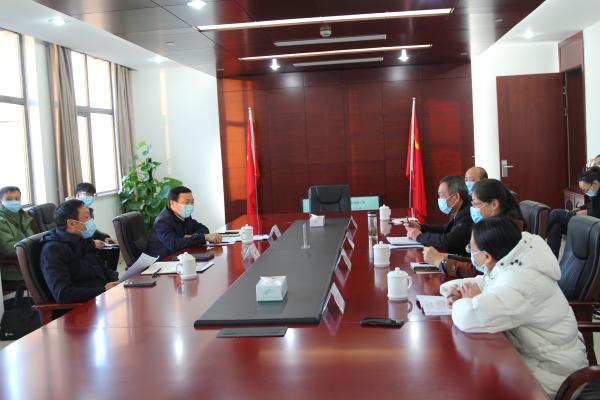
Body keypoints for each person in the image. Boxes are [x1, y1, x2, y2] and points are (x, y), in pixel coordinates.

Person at [439, 217, 588, 397]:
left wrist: (467, 301)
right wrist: (459, 290)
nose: (469, 251)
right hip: (534, 359)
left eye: (471, 249)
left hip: (554, 374)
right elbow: (489, 282)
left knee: (472, 385)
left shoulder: (523, 282)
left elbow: (469, 317)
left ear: (486, 257)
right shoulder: (517, 256)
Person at [424, 178, 526, 278]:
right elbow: (478, 262)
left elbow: (482, 272)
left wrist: (440, 262)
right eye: (472, 204)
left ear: (494, 204)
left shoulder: (503, 230)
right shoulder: (498, 223)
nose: (472, 209)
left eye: (476, 204)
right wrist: (447, 257)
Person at [40, 200, 119, 304]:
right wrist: (103, 290)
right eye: (87, 217)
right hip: (83, 306)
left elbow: (102, 269)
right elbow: (63, 294)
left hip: (103, 298)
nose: (91, 221)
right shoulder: (53, 250)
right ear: (71, 223)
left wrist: (117, 281)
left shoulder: (83, 238)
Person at [146, 186, 222, 258]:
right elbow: (175, 244)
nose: (190, 205)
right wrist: (203, 237)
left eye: (192, 202)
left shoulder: (185, 216)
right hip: (164, 262)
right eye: (186, 202)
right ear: (172, 203)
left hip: (182, 257)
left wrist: (190, 237)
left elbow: (204, 229)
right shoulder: (162, 221)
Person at [405, 176, 473, 256]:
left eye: (441, 195)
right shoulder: (458, 209)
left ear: (456, 197)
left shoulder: (468, 214)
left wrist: (419, 236)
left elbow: (449, 241)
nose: (439, 199)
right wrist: (420, 227)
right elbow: (445, 229)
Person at [547, 166, 600, 258]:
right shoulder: (596, 190)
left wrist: (588, 212)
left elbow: (596, 212)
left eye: (586, 190)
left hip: (594, 225)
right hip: (587, 220)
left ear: (595, 183)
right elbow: (591, 205)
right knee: (556, 226)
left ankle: (538, 236)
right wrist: (580, 208)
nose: (585, 193)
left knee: (555, 213)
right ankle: (551, 260)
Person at [0, 186, 35, 283]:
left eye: (17, 199)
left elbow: (32, 238)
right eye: (9, 199)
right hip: (12, 267)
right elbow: (9, 249)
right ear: (1, 202)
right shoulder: (1, 221)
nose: (14, 202)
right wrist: (35, 250)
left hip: (29, 260)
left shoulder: (23, 216)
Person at [74, 182, 117, 248]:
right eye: (88, 195)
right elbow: (72, 236)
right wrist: (91, 243)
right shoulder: (69, 212)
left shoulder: (89, 210)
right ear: (78, 195)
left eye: (92, 195)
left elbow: (91, 230)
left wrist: (104, 237)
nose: (90, 198)